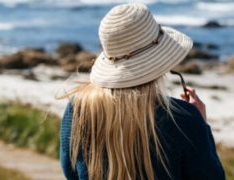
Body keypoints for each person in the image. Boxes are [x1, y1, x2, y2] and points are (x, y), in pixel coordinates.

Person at [60, 3, 225, 180]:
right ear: (160, 61)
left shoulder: (78, 110)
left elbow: (71, 173)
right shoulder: (183, 119)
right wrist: (201, 125)